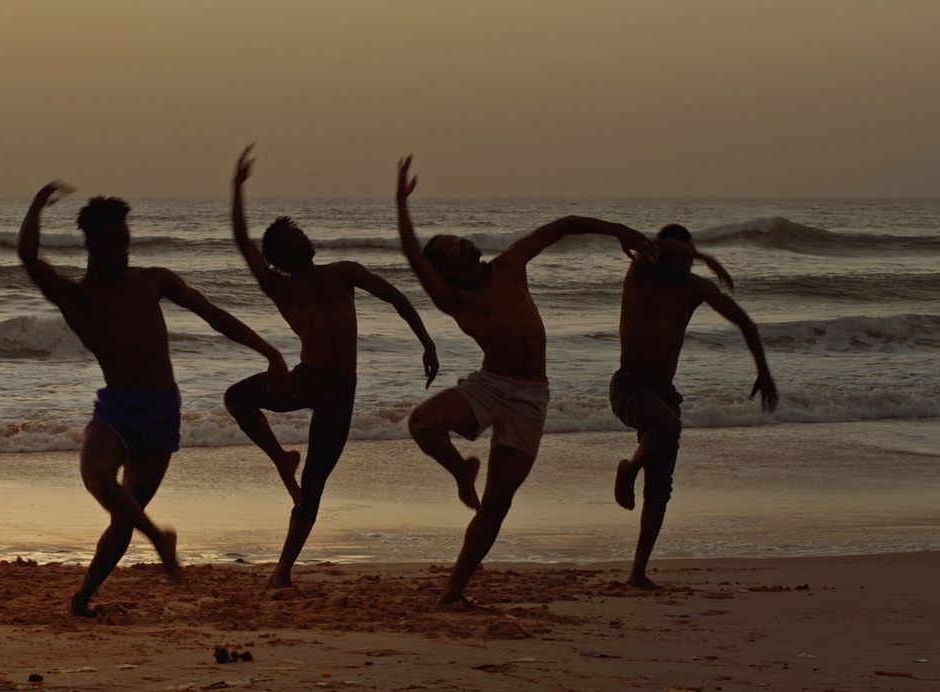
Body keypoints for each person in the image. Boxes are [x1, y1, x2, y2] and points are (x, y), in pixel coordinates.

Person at [18, 182, 290, 616]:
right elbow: (29, 256)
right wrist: (37, 203)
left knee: (125, 514)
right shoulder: (77, 296)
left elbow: (213, 314)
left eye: (127, 242)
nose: (123, 252)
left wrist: (269, 352)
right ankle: (161, 540)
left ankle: (83, 598)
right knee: (100, 480)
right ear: (91, 245)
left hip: (162, 410)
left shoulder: (151, 282)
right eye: (114, 244)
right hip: (117, 408)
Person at [394, 156, 652, 608]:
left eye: (460, 239)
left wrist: (620, 230)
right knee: (421, 424)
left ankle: (454, 593)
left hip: (531, 397)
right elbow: (414, 258)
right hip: (490, 385)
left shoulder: (510, 264)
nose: (464, 245)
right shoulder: (453, 299)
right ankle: (461, 470)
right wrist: (401, 204)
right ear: (448, 269)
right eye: (453, 248)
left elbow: (562, 225)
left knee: (497, 504)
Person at [224, 146, 440, 588]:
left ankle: (282, 570)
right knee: (236, 398)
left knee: (316, 481)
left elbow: (396, 297)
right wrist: (237, 188)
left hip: (342, 390)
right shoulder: (280, 287)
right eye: (292, 241)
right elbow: (243, 243)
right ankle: (280, 458)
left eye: (300, 234)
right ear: (281, 256)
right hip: (305, 381)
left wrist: (427, 342)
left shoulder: (343, 272)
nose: (302, 240)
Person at [611, 223, 778, 589]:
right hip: (629, 387)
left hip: (664, 393)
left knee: (661, 487)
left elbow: (744, 322)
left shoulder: (693, 289)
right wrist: (706, 256)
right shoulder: (640, 274)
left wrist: (764, 372)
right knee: (667, 427)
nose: (688, 265)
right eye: (683, 257)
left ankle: (637, 572)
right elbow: (652, 243)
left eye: (691, 259)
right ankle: (628, 469)